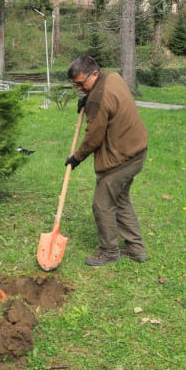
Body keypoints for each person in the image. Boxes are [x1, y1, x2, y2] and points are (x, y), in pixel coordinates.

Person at [65, 56, 149, 266]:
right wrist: (89, 92)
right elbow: (104, 99)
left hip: (122, 159)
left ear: (94, 74)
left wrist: (76, 158)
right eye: (75, 85)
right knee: (120, 200)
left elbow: (93, 138)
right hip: (137, 151)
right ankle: (136, 249)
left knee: (102, 204)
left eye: (81, 84)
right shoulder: (111, 76)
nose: (78, 88)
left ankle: (109, 251)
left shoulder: (97, 99)